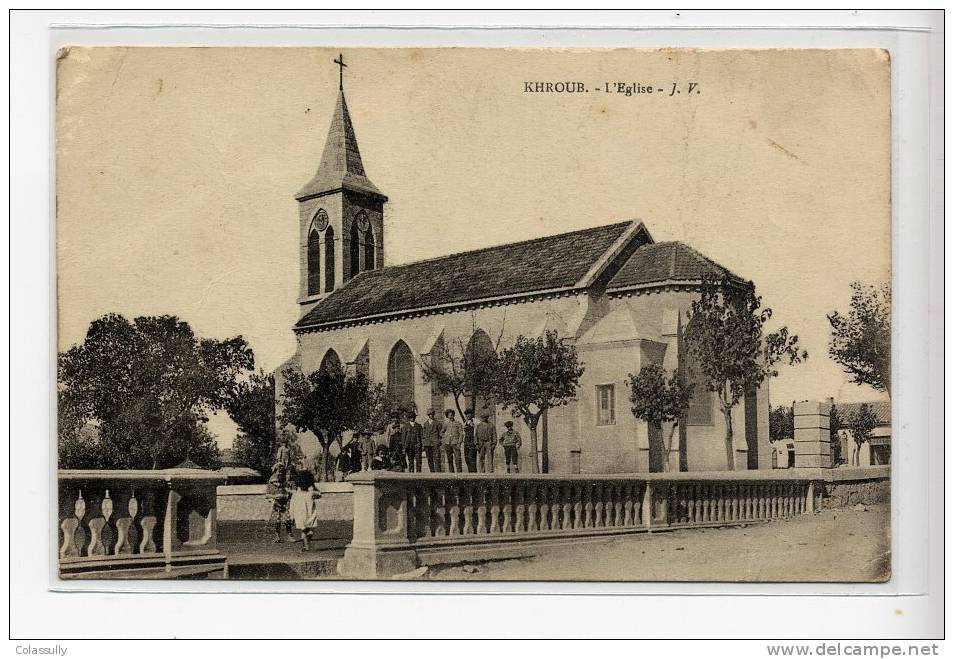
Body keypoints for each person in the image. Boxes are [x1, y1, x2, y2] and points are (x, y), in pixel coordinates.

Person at [289, 470, 321, 551]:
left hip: (300, 516)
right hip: (310, 515)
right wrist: (313, 486)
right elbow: (319, 494)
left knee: (304, 530)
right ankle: (306, 543)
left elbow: (291, 506)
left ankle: (305, 545)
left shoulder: (295, 494)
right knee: (310, 530)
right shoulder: (311, 493)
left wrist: (292, 516)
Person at [265, 463, 292, 542]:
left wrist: (286, 495)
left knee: (287, 519)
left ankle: (289, 535)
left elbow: (290, 492)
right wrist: (274, 497)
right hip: (276, 503)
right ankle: (277, 536)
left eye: (282, 472)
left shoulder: (286, 482)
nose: (280, 473)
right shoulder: (271, 483)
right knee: (277, 520)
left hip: (286, 503)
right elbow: (267, 495)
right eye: (279, 472)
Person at [440, 409, 463, 473]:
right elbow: (441, 433)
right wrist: (445, 436)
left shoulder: (458, 423)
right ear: (447, 416)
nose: (451, 416)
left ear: (454, 415)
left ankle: (459, 473)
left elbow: (461, 434)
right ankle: (451, 474)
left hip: (455, 443)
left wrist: (459, 443)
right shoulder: (446, 424)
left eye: (452, 415)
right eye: (449, 415)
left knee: (458, 459)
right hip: (448, 444)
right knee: (450, 460)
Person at [422, 408, 443, 473]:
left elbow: (440, 433)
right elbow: (423, 434)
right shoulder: (425, 423)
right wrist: (424, 443)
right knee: (429, 459)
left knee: (437, 458)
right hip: (427, 443)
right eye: (430, 414)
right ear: (428, 415)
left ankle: (438, 473)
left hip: (435, 443)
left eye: (432, 414)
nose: (431, 415)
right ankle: (432, 472)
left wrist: (439, 441)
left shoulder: (438, 423)